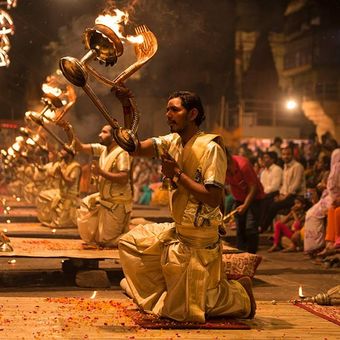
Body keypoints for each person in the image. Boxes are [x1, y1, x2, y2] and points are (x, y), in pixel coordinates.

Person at [117, 88, 256, 323]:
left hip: (200, 238)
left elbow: (213, 198)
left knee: (185, 313)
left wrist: (177, 174)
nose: (168, 114)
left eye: (174, 109)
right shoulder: (171, 141)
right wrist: (127, 107)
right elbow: (134, 148)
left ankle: (239, 296)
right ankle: (174, 293)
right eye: (167, 110)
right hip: (179, 231)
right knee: (130, 243)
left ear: (192, 114)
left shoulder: (211, 147)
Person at [76, 124, 133, 248]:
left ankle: (137, 237)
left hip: (117, 204)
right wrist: (67, 128)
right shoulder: (103, 150)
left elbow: (124, 178)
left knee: (107, 242)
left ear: (113, 137)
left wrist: (101, 172)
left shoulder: (122, 153)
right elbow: (78, 147)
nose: (99, 135)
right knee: (86, 204)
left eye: (104, 132)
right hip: (105, 201)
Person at [225, 148, 265, 253]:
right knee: (240, 230)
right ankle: (241, 257)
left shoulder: (243, 164)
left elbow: (253, 187)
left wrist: (245, 205)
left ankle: (251, 257)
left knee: (251, 229)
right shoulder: (220, 166)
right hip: (239, 198)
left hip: (254, 198)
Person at [304, 148, 340, 254]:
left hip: (334, 198)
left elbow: (333, 188)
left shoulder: (336, 168)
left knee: (325, 212)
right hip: (332, 197)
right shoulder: (322, 172)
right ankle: (323, 244)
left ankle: (321, 245)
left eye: (320, 161)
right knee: (313, 213)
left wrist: (335, 198)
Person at [261, 145, 306, 232]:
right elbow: (284, 185)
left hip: (297, 197)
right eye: (284, 154)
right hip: (286, 195)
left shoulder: (298, 167)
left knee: (274, 205)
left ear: (292, 155)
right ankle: (261, 225)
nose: (285, 156)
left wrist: (284, 197)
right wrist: (280, 194)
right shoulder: (285, 166)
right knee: (267, 201)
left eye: (288, 154)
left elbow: (295, 186)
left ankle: (262, 228)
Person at [37, 147, 81, 228]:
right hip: (61, 194)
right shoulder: (62, 164)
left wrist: (61, 173)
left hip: (70, 196)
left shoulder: (75, 167)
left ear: (70, 154)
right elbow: (52, 174)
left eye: (63, 150)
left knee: (59, 223)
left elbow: (70, 182)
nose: (61, 151)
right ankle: (47, 218)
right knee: (42, 195)